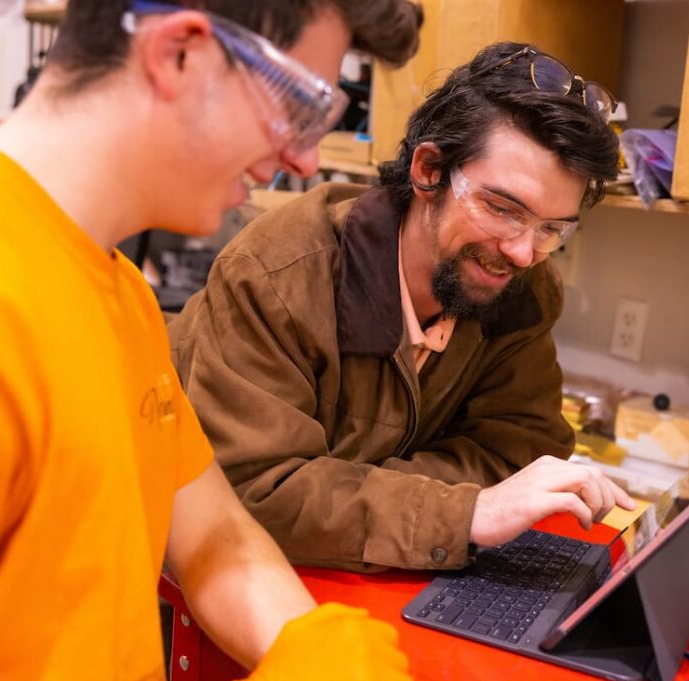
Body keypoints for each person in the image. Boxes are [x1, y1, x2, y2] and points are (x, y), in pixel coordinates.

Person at [0, 0, 420, 680]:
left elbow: (211, 534)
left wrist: (311, 643)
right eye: (298, 107)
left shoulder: (119, 290)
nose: (302, 157)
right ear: (179, 54)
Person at [168, 41, 636, 573]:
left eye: (551, 228)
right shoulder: (276, 276)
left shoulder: (522, 289)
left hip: (365, 576)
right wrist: (462, 511)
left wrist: (362, 492)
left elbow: (519, 451)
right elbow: (253, 492)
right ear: (430, 171)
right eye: (503, 208)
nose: (523, 252)